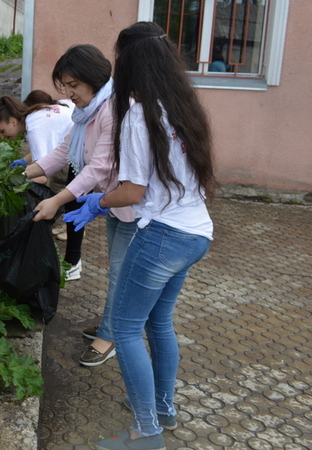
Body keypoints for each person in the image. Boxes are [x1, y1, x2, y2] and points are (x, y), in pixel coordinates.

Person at [64, 22, 216, 449]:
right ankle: (164, 410)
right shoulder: (182, 105)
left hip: (163, 236)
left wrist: (97, 202)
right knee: (158, 322)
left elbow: (133, 190)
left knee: (127, 331)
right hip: (196, 233)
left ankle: (145, 433)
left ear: (127, 63)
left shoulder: (138, 113)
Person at [24, 44, 137, 367]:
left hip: (134, 205)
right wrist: (23, 173)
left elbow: (99, 167)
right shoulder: (87, 112)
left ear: (94, 79)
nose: (69, 93)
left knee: (120, 273)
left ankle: (110, 337)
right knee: (118, 270)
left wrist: (58, 201)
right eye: (65, 86)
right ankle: (112, 325)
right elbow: (63, 151)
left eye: (74, 85)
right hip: (114, 203)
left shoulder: (114, 110)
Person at [0, 91, 75, 177]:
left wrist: (16, 178)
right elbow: (45, 150)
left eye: (2, 131)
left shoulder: (35, 128)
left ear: (13, 122)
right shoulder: (35, 117)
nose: (2, 137)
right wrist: (25, 160)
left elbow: (42, 174)